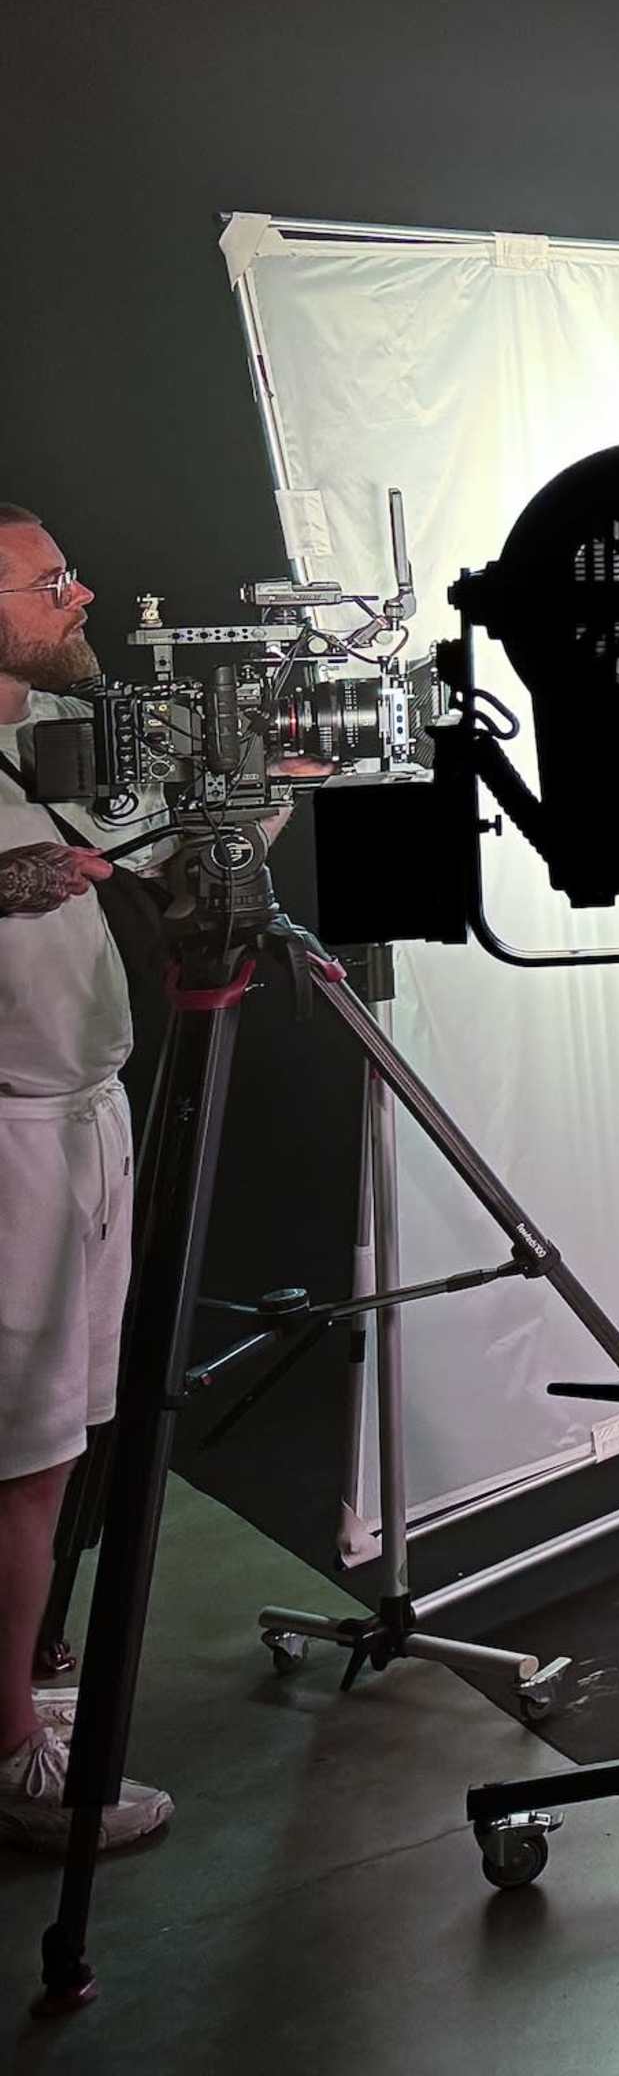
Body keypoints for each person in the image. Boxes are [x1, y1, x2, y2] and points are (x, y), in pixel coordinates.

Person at [0, 505, 171, 1849]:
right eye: (50, 582)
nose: (82, 592)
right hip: (6, 1142)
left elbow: (172, 850)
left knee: (70, 1432)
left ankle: (29, 1671)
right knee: (20, 1454)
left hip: (83, 1117)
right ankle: (10, 1754)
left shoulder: (51, 737)